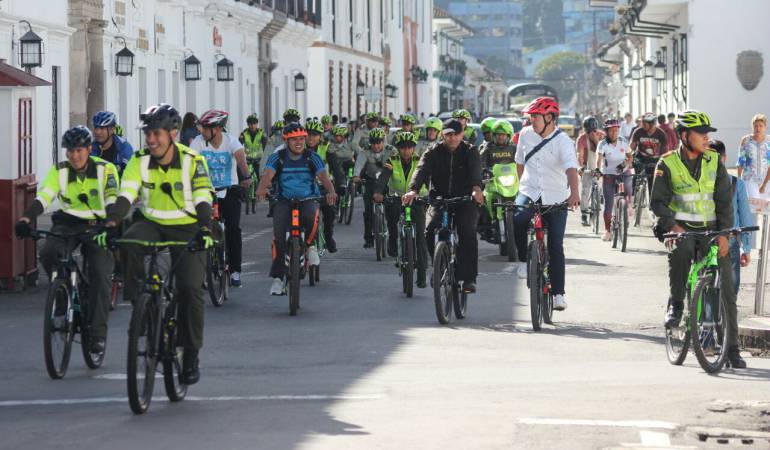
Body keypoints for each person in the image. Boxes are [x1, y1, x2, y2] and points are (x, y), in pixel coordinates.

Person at [104, 103, 215, 384]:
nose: (151, 140)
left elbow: (203, 196)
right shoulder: (139, 161)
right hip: (153, 222)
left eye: (157, 134)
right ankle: (141, 302)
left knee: (190, 289)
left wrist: (204, 228)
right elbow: (126, 194)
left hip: (188, 225)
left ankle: (190, 353)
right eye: (148, 134)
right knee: (128, 241)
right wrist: (113, 221)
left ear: (173, 134)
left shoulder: (192, 160)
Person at [652, 111, 745, 368]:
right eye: (701, 134)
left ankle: (733, 348)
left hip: (712, 231)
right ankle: (678, 306)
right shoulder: (667, 163)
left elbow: (725, 202)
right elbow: (657, 203)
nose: (707, 138)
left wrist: (725, 234)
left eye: (708, 134)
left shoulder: (714, 160)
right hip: (683, 230)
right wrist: (673, 225)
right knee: (680, 254)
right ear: (684, 136)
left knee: (726, 287)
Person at [15, 126, 119, 355]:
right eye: (70, 151)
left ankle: (98, 335)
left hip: (97, 225)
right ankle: (63, 292)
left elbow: (112, 198)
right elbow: (45, 196)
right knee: (49, 252)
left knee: (101, 275)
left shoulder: (106, 169)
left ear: (89, 149)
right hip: (67, 223)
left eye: (79, 150)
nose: (74, 155)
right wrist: (26, 217)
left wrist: (111, 223)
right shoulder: (60, 170)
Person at [512, 97, 580, 311]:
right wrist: (520, 188)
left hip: (556, 195)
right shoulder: (524, 134)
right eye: (530, 116)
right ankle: (524, 261)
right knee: (519, 217)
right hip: (530, 190)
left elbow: (571, 169)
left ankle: (559, 294)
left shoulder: (564, 142)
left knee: (556, 246)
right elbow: (519, 162)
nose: (532, 120)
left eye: (536, 116)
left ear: (549, 118)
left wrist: (575, 193)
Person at [254, 123, 337, 295]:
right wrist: (262, 188)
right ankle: (278, 279)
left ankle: (310, 246)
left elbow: (323, 176)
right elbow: (267, 175)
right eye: (293, 140)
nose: (298, 143)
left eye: (301, 139)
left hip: (307, 198)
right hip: (283, 200)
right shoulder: (278, 157)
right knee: (279, 238)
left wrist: (331, 191)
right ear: (286, 141)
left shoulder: (311, 157)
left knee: (312, 215)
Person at [403, 118, 484, 293]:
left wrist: (477, 189)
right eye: (448, 135)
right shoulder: (433, 152)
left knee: (467, 232)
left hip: (465, 200)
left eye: (456, 134)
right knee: (430, 229)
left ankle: (469, 278)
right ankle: (439, 266)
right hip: (439, 199)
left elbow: (476, 171)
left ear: (462, 134)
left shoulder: (470, 151)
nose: (452, 138)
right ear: (442, 135)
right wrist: (413, 190)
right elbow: (421, 169)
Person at [190, 109, 252, 287]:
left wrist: (246, 176)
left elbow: (240, 159)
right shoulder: (199, 142)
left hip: (229, 189)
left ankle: (235, 270)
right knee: (200, 228)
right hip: (205, 191)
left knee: (233, 229)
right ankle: (201, 269)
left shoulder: (231, 141)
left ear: (217, 129)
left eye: (205, 128)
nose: (201, 131)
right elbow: (190, 161)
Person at [375, 131, 429, 287]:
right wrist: (378, 192)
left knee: (420, 235)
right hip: (397, 199)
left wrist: (431, 193)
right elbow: (384, 177)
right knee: (391, 217)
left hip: (417, 200)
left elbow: (428, 178)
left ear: (413, 148)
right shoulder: (392, 161)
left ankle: (422, 274)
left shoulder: (420, 160)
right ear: (398, 148)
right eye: (403, 148)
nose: (406, 151)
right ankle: (392, 238)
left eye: (409, 147)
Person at [711, 139, 754, 295]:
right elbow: (745, 218)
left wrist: (746, 248)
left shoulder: (699, 182)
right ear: (725, 157)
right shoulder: (736, 183)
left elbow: (745, 217)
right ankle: (726, 317)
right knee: (729, 292)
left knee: (705, 287)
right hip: (729, 239)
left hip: (705, 237)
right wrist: (747, 248)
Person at [353, 128, 397, 248]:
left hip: (387, 182)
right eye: (374, 143)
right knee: (368, 210)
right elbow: (359, 164)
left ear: (383, 142)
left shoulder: (392, 150)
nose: (376, 146)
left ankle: (392, 239)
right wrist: (356, 176)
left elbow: (398, 165)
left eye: (379, 142)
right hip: (370, 180)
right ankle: (368, 239)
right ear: (370, 142)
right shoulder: (365, 151)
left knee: (391, 210)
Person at [305, 119, 342, 252]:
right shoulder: (298, 147)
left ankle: (328, 236)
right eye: (308, 134)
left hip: (324, 186)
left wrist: (341, 183)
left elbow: (336, 169)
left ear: (320, 136)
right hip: (305, 187)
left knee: (329, 210)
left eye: (315, 135)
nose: (311, 138)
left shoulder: (327, 148)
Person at [479, 119, 518, 241]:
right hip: (493, 182)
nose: (500, 137)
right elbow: (480, 162)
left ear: (508, 135)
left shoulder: (514, 148)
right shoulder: (488, 148)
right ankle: (487, 225)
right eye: (498, 134)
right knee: (482, 201)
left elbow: (522, 162)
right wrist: (483, 170)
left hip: (511, 181)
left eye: (503, 134)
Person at [596, 119, 632, 241]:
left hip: (623, 172)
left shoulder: (623, 141)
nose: (613, 133)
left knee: (628, 188)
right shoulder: (602, 144)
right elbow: (599, 158)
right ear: (606, 132)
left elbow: (630, 156)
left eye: (616, 130)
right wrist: (597, 169)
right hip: (608, 174)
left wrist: (626, 163)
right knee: (608, 204)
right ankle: (607, 231)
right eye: (611, 131)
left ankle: (627, 208)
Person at [630, 112, 669, 195]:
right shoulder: (638, 131)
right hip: (640, 158)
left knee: (652, 182)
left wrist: (662, 162)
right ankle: (633, 197)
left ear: (652, 124)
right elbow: (631, 147)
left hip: (654, 160)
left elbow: (665, 151)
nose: (642, 124)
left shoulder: (661, 134)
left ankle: (651, 203)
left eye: (644, 123)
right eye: (642, 122)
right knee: (636, 177)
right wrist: (629, 156)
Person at [576, 116, 605, 226]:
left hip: (600, 164)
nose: (589, 133)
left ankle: (597, 203)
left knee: (599, 186)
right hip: (587, 165)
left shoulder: (601, 135)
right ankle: (584, 214)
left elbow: (604, 152)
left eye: (593, 130)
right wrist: (580, 167)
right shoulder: (581, 138)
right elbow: (579, 154)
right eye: (587, 131)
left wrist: (596, 140)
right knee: (585, 189)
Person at [737, 114, 770, 205]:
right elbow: (741, 161)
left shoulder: (769, 141)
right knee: (753, 208)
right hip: (750, 179)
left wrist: (764, 184)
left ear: (765, 127)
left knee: (766, 209)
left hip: (767, 180)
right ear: (752, 127)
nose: (758, 128)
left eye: (760, 126)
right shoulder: (745, 140)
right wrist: (739, 180)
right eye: (755, 126)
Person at [239, 114, 267, 181]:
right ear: (248, 124)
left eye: (254, 123)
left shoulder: (261, 133)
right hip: (248, 160)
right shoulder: (243, 133)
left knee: (261, 178)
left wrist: (265, 159)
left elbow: (265, 147)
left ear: (257, 124)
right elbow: (238, 147)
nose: (252, 126)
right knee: (244, 177)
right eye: (250, 124)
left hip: (259, 160)